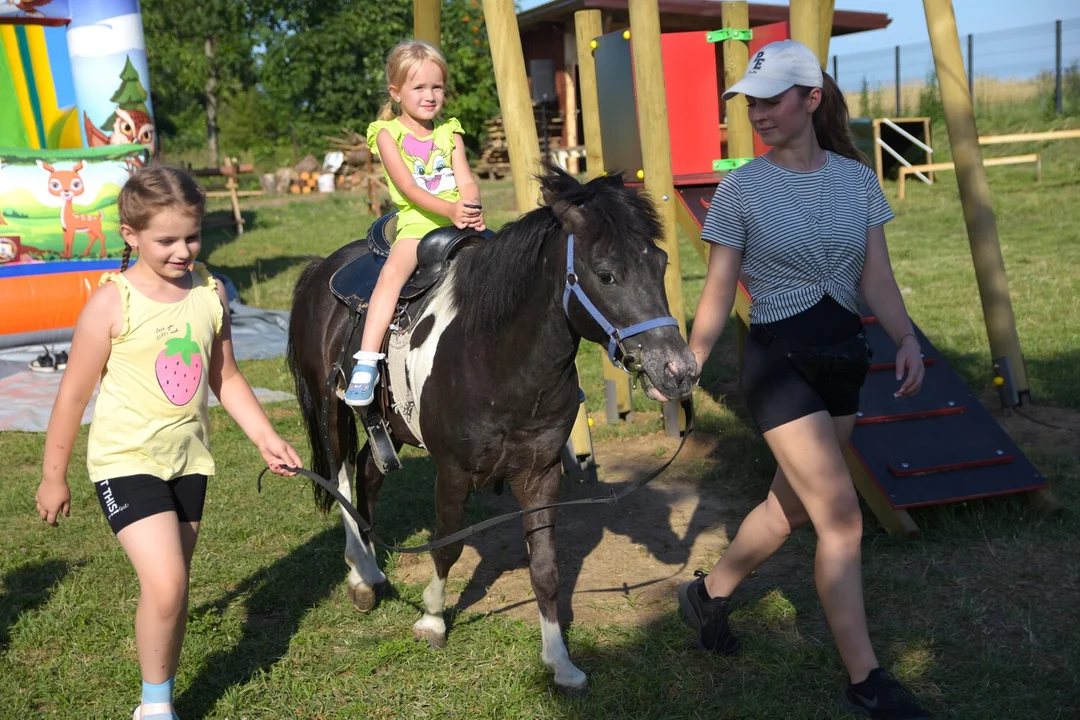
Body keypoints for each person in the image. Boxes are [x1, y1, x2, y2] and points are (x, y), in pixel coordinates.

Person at [679, 40, 931, 719]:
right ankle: (867, 681)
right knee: (841, 519)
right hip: (778, 364)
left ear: (811, 99)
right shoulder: (741, 188)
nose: (757, 112)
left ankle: (708, 595)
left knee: (787, 511)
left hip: (845, 358)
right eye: (750, 102)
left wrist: (905, 338)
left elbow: (875, 276)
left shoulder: (857, 179)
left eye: (771, 99)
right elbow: (718, 288)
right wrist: (691, 360)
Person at [34, 167, 302, 720]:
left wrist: (265, 436)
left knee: (172, 593)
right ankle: (154, 709)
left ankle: (162, 693)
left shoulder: (209, 293)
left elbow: (224, 377)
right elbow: (71, 397)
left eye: (192, 236)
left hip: (189, 463)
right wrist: (52, 475)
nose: (183, 250)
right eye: (167, 240)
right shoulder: (113, 304)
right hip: (125, 462)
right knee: (167, 582)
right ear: (131, 235)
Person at [345, 40, 485, 406]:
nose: (430, 95)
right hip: (417, 224)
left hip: (460, 222)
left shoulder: (449, 132)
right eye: (419, 87)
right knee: (391, 277)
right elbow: (407, 187)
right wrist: (450, 210)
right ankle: (367, 360)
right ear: (396, 92)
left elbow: (466, 177)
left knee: (507, 268)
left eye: (437, 87)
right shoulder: (388, 134)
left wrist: (470, 204)